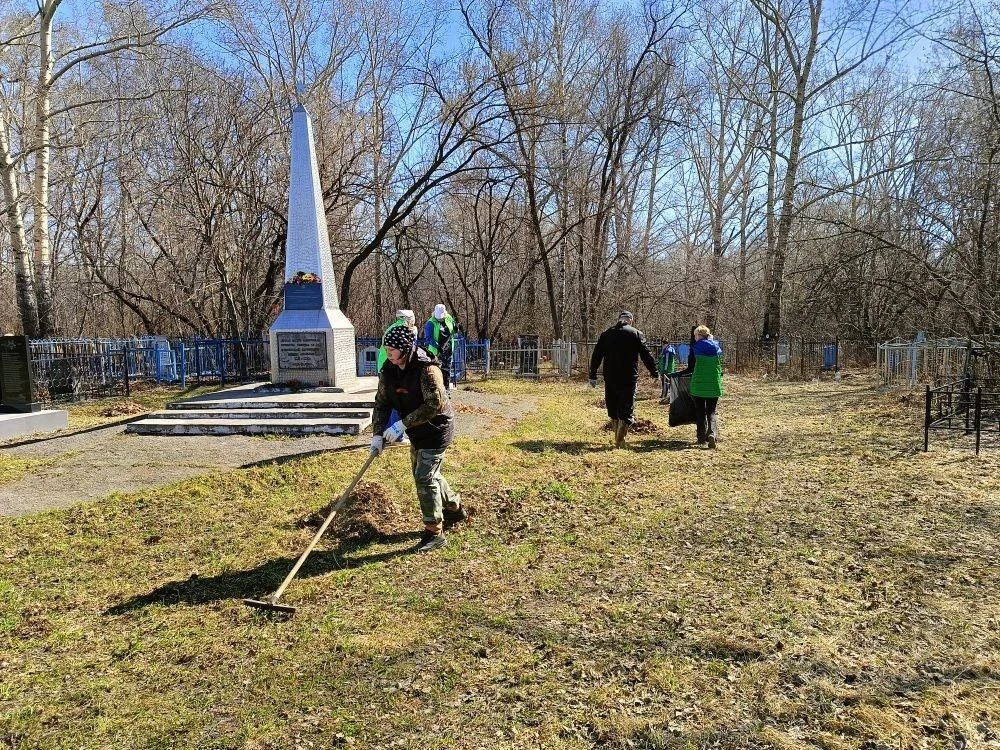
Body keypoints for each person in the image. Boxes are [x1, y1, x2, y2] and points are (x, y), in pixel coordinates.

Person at [369, 325, 466, 552]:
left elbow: (434, 405)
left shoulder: (427, 369)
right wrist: (376, 435)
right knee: (428, 474)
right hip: (416, 430)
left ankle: (434, 532)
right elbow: (382, 403)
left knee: (424, 477)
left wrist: (401, 424)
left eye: (391, 349)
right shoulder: (389, 369)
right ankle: (454, 508)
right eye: (386, 348)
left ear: (404, 348)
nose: (387, 352)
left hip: (436, 428)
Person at [588, 310, 658, 448]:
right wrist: (654, 371)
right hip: (628, 377)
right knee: (626, 408)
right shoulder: (636, 334)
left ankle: (617, 439)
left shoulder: (607, 334)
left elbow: (596, 355)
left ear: (619, 319)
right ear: (630, 320)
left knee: (613, 407)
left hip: (610, 376)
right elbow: (646, 354)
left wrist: (593, 374)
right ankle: (620, 441)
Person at [377, 309, 418, 445]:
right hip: (396, 367)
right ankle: (397, 436)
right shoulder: (406, 330)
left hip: (385, 367)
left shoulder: (392, 327)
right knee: (399, 403)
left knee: (388, 402)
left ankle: (387, 433)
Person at [679, 325, 722, 448]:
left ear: (699, 335)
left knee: (700, 412)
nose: (694, 337)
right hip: (714, 384)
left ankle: (701, 438)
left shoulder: (695, 348)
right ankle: (712, 434)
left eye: (695, 335)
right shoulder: (717, 348)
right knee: (711, 411)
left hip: (698, 385)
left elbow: (691, 367)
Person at [422, 303, 456, 392]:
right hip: (436, 352)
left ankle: (447, 390)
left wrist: (456, 328)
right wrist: (437, 346)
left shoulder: (449, 318)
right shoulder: (430, 323)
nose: (440, 319)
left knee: (447, 370)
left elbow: (453, 328)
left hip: (448, 349)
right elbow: (428, 338)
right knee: (436, 371)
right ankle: (436, 391)